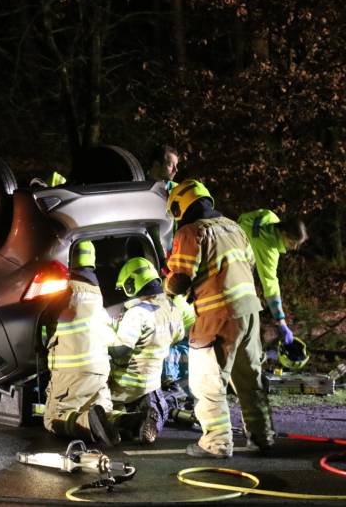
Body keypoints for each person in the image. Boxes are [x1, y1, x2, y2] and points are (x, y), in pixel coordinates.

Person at [165, 180, 274, 458]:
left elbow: (179, 281)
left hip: (218, 314)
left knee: (207, 381)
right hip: (250, 312)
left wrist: (165, 284)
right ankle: (262, 437)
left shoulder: (191, 232)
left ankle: (216, 444)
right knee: (250, 378)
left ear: (181, 205)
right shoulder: (234, 228)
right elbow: (248, 264)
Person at [42, 240, 120, 446]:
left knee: (53, 419)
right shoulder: (97, 293)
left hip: (72, 370)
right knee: (103, 412)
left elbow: (39, 318)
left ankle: (89, 425)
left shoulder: (62, 288)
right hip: (100, 369)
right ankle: (131, 421)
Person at [108, 257, 185, 444]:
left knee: (108, 408)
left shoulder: (137, 313)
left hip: (124, 383)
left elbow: (121, 351)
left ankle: (122, 426)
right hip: (151, 381)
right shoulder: (172, 308)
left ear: (131, 284)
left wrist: (106, 341)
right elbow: (179, 336)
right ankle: (148, 419)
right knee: (160, 406)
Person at [237, 209, 308, 346]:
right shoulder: (267, 248)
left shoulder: (270, 216)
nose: (293, 248)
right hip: (236, 265)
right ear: (283, 233)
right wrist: (281, 319)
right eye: (292, 242)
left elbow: (244, 216)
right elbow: (270, 284)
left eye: (297, 245)